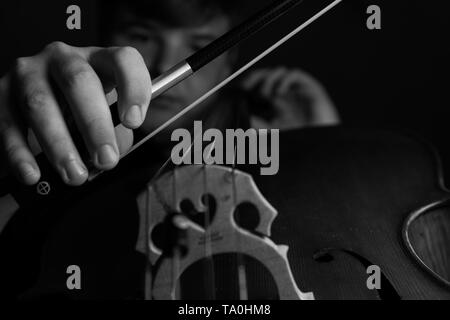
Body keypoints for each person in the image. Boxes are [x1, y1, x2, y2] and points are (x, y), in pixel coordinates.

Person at [0, 0, 339, 188]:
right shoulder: (58, 128)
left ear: (229, 62)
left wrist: (321, 151)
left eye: (200, 46)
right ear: (104, 38)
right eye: (143, 36)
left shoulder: (266, 134)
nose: (164, 64)